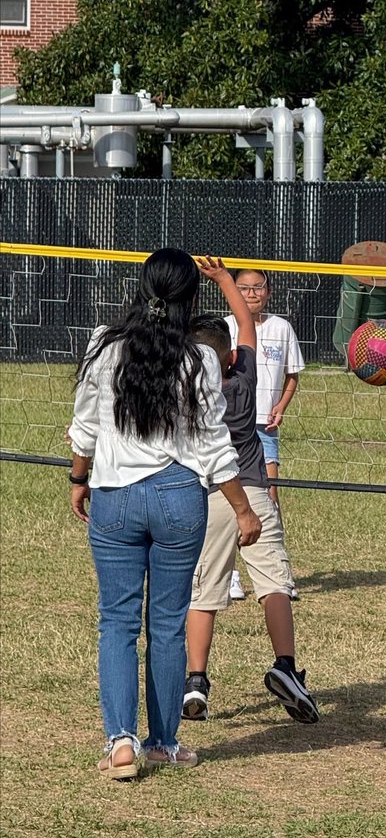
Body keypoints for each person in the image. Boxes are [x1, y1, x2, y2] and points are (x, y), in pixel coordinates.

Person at [68, 248, 262, 780]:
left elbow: (84, 428)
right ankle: (163, 743)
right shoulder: (200, 358)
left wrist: (78, 480)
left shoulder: (104, 345)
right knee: (169, 624)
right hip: (179, 497)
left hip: (115, 496)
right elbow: (215, 446)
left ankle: (120, 743)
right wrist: (243, 509)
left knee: (117, 622)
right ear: (190, 299)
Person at [182, 258, 319, 725]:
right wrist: (224, 279)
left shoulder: (187, 392)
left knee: (204, 593)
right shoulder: (244, 378)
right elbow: (244, 322)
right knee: (274, 584)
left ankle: (196, 680)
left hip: (206, 494)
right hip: (252, 491)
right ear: (231, 357)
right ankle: (285, 666)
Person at [224, 268, 303, 601]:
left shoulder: (281, 328)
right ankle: (229, 575)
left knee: (269, 495)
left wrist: (281, 406)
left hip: (263, 427)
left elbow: (292, 375)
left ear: (268, 292)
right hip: (229, 426)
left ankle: (278, 574)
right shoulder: (226, 328)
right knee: (227, 497)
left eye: (258, 287)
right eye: (244, 288)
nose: (252, 294)